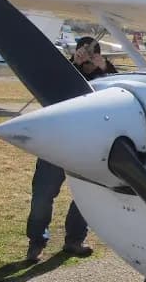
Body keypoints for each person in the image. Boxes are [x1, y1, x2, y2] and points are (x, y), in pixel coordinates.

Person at [25, 37, 117, 262]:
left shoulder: (107, 75)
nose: (87, 56)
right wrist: (74, 65)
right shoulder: (64, 71)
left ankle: (74, 240)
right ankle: (36, 242)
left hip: (88, 146)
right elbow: (50, 88)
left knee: (85, 197)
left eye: (92, 52)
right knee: (43, 195)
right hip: (56, 142)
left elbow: (116, 93)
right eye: (83, 52)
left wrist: (103, 67)